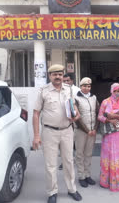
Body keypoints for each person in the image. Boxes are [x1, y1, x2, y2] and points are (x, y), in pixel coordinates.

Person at [32, 64, 82, 203]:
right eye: (55, 74)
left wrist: (76, 115)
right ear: (50, 76)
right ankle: (52, 192)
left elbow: (73, 106)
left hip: (67, 131)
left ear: (63, 75)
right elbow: (36, 114)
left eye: (60, 74)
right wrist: (36, 136)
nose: (58, 76)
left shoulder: (69, 89)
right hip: (49, 132)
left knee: (69, 162)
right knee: (51, 164)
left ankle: (72, 189)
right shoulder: (43, 91)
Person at [98, 83, 119, 191]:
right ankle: (106, 181)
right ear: (111, 91)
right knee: (108, 154)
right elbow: (100, 116)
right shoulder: (105, 102)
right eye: (115, 91)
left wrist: (116, 116)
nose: (117, 93)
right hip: (109, 134)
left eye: (118, 91)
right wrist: (109, 120)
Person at [74, 77, 99, 188]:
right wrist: (87, 130)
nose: (87, 88)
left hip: (92, 131)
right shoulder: (75, 98)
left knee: (88, 154)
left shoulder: (94, 97)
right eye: (84, 86)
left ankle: (88, 175)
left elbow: (98, 113)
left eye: (88, 86)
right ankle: (81, 176)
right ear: (80, 86)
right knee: (80, 154)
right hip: (81, 131)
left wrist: (95, 129)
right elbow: (77, 117)